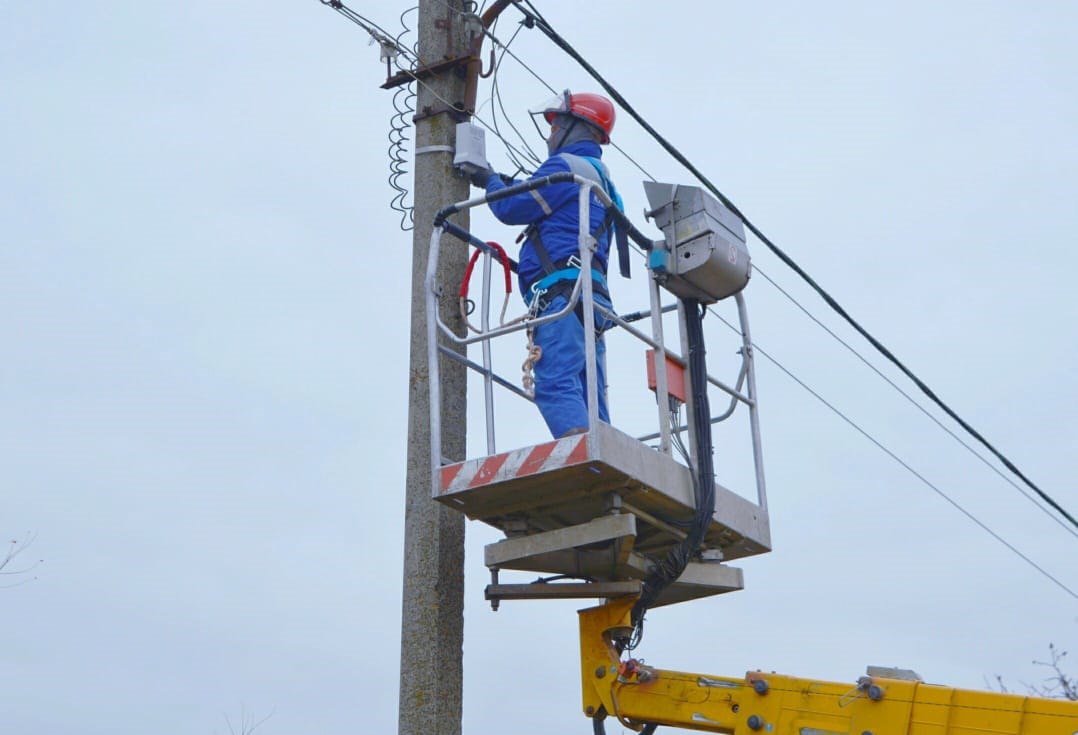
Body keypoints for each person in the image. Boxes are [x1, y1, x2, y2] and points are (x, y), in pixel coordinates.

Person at [466, 90, 624, 439]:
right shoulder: (604, 183)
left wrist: (489, 180)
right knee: (589, 391)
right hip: (592, 299)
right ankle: (604, 456)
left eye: (555, 127)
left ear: (573, 127)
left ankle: (584, 463)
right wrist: (500, 180)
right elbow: (541, 200)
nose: (550, 135)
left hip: (562, 296)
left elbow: (511, 209)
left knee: (555, 382)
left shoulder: (565, 168)